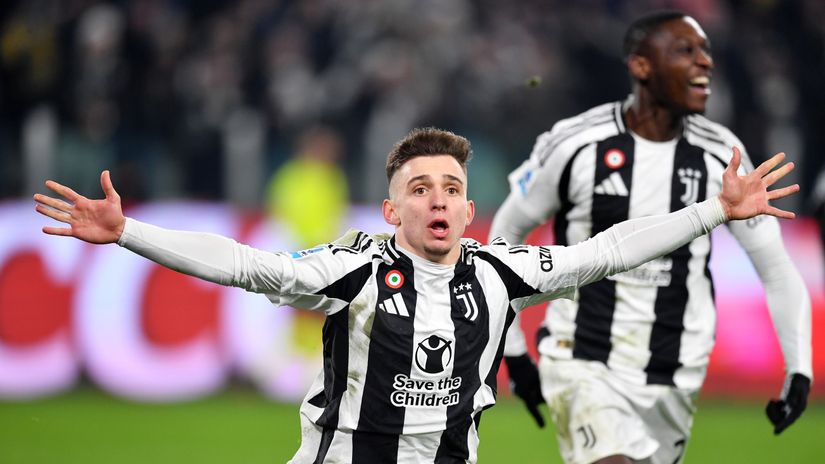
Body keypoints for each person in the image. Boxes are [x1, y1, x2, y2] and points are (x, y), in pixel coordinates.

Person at [35, 126, 797, 464]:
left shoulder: (501, 273)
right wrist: (129, 231)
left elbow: (604, 252)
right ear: (390, 210)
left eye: (452, 189)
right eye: (419, 189)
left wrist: (712, 211)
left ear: (470, 212)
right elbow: (244, 264)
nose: (438, 200)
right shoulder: (353, 268)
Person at [490, 10, 812, 464]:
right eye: (686, 51)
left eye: (705, 51)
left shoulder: (721, 155)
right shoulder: (576, 144)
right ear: (641, 66)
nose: (705, 63)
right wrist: (515, 351)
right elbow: (506, 233)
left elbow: (776, 269)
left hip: (675, 371)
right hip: (582, 358)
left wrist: (799, 367)